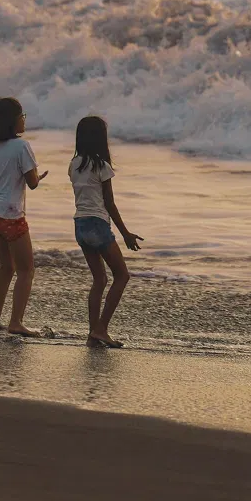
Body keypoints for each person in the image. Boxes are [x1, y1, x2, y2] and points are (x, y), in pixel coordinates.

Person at [69, 115, 142, 348]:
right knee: (122, 276)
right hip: (98, 224)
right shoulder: (102, 166)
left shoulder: (74, 165)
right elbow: (109, 203)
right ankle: (101, 329)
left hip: (79, 224)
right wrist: (126, 234)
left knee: (99, 279)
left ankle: (93, 334)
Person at [0, 97, 46, 336]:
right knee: (26, 270)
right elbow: (32, 182)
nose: (24, 120)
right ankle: (16, 322)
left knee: (6, 267)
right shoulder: (22, 146)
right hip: (10, 214)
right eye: (22, 116)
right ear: (12, 121)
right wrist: (39, 177)